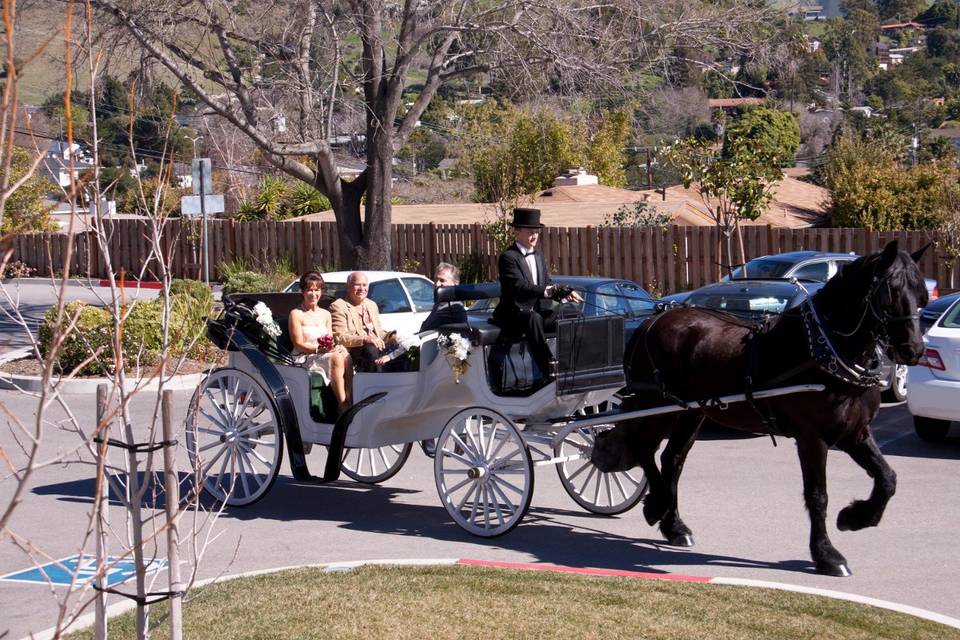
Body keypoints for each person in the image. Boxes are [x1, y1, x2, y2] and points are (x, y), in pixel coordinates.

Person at [491, 207, 581, 379]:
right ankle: (548, 366)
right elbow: (520, 287)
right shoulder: (508, 257)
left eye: (537, 232)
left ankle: (575, 362)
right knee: (533, 318)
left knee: (572, 313)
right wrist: (552, 291)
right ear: (517, 231)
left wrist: (564, 293)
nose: (534, 236)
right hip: (514, 314)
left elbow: (546, 283)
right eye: (530, 232)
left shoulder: (538, 255)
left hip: (537, 312)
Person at [288, 271, 353, 415]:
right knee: (336, 358)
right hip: (304, 356)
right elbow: (298, 343)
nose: (313, 294)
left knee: (345, 355)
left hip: (324, 354)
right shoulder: (296, 314)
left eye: (317, 290)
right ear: (303, 292)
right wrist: (318, 350)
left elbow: (329, 339)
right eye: (309, 290)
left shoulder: (326, 314)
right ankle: (342, 405)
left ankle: (350, 398)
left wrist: (335, 347)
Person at [330, 271, 392, 372]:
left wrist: (392, 337)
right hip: (355, 351)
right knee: (371, 349)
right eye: (357, 285)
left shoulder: (371, 305)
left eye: (364, 285)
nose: (362, 289)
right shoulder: (338, 306)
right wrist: (365, 339)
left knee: (404, 347)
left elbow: (379, 332)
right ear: (348, 286)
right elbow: (339, 337)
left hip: (376, 347)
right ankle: (376, 384)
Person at [419, 262, 468, 332]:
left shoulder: (453, 307)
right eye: (436, 279)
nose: (437, 284)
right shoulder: (440, 303)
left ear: (455, 283)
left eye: (442, 280)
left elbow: (429, 329)